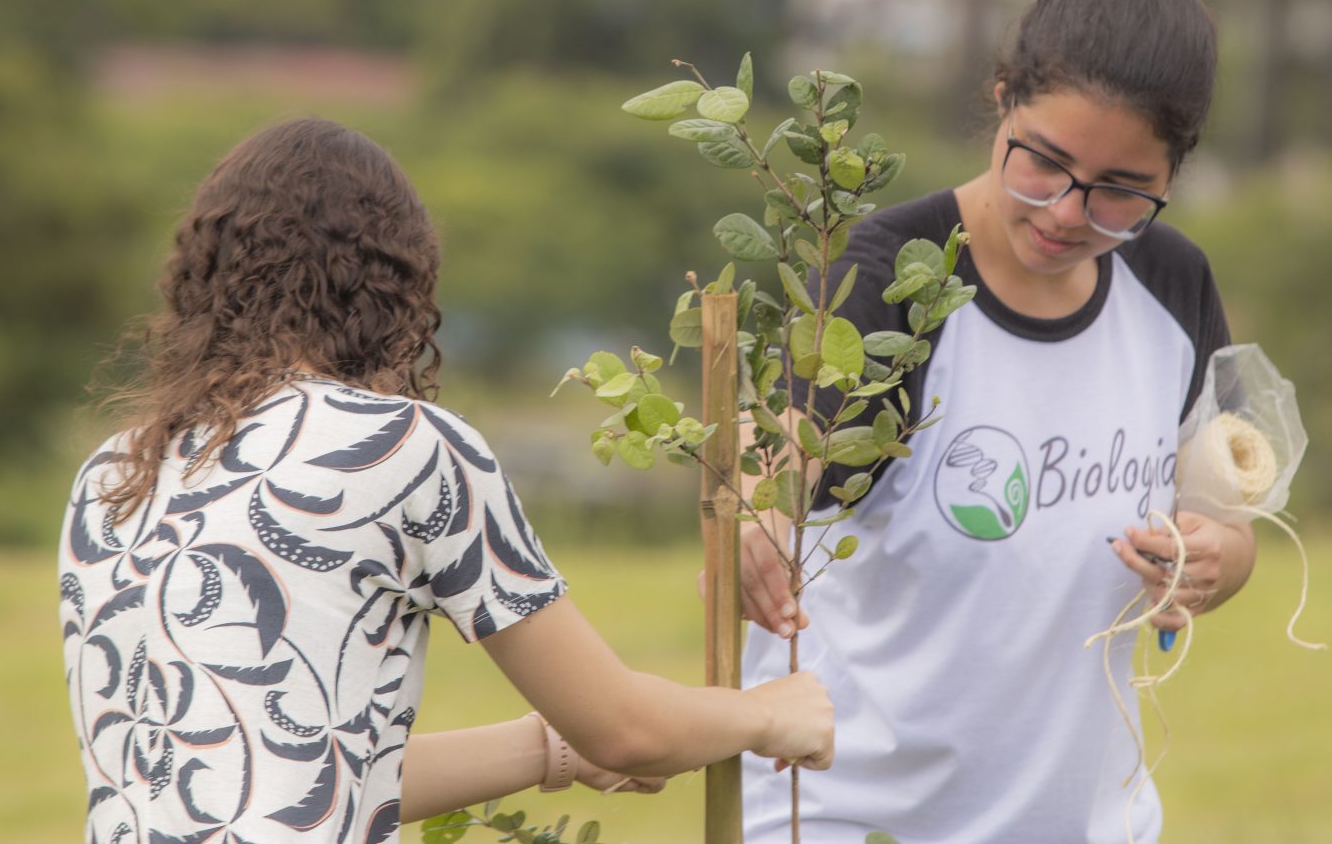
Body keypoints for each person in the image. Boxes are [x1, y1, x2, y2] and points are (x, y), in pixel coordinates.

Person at [59, 118, 834, 843]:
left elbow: (288, 773)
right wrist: (769, 713)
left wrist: (549, 751)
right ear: (392, 282)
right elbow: (625, 728)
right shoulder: (401, 448)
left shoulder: (112, 473)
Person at [735, 0, 1254, 843]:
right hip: (853, 817)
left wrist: (1218, 563)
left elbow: (1226, 519)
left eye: (1121, 193)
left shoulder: (1173, 287)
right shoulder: (892, 279)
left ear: (1173, 175)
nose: (1066, 212)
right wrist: (758, 510)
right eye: (1041, 162)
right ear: (1000, 102)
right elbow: (779, 463)